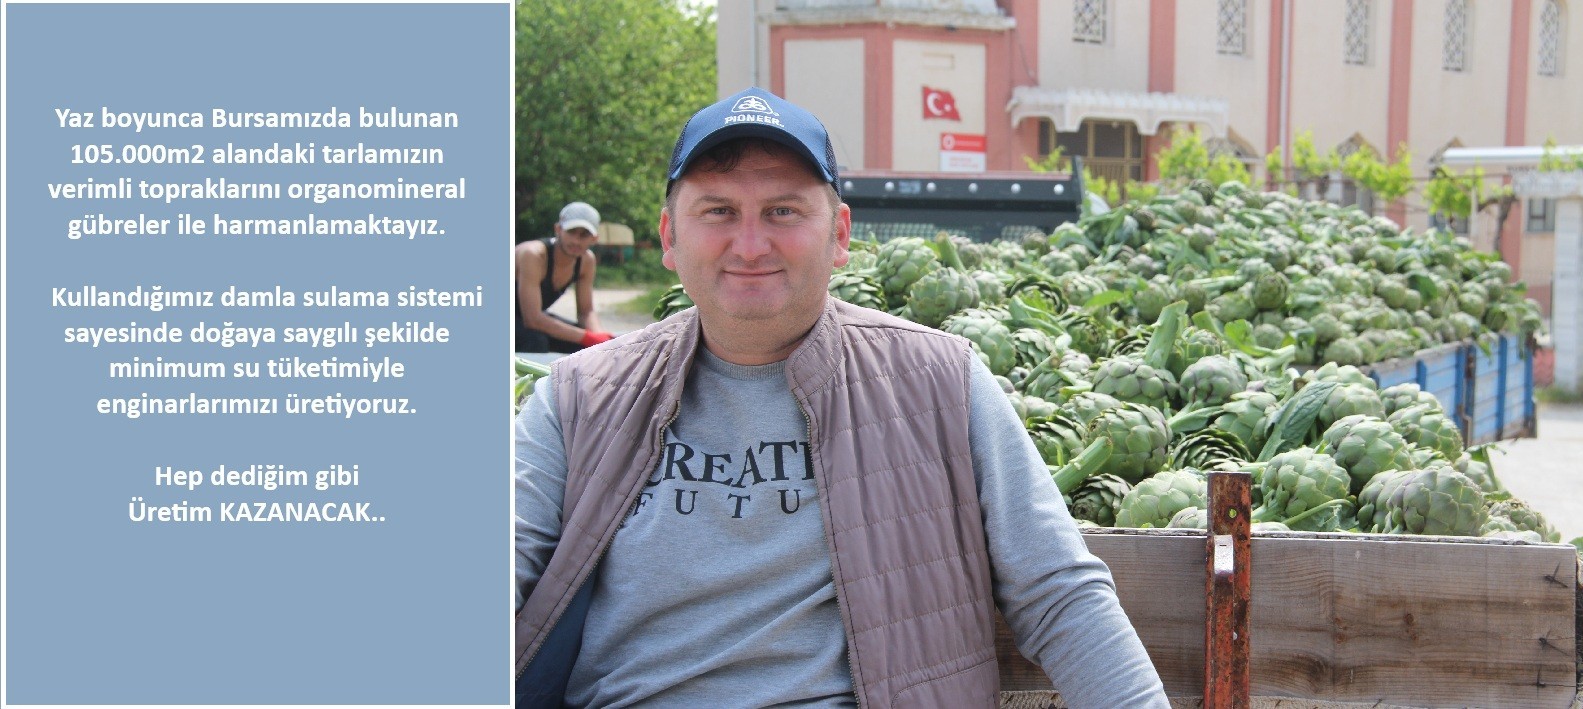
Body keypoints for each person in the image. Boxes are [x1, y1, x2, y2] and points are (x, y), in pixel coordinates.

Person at [514, 87, 1167, 707]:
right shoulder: (579, 397)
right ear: (668, 237)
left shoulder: (941, 382)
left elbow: (1059, 594)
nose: (750, 245)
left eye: (783, 211)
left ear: (841, 234)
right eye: (717, 211)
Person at [515, 201, 614, 353]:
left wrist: (601, 340)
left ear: (594, 238)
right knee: (536, 341)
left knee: (589, 348)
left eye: (584, 235)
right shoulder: (533, 255)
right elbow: (532, 319)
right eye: (571, 232)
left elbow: (586, 311)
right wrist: (587, 337)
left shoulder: (586, 260)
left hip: (525, 320)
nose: (576, 241)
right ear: (558, 229)